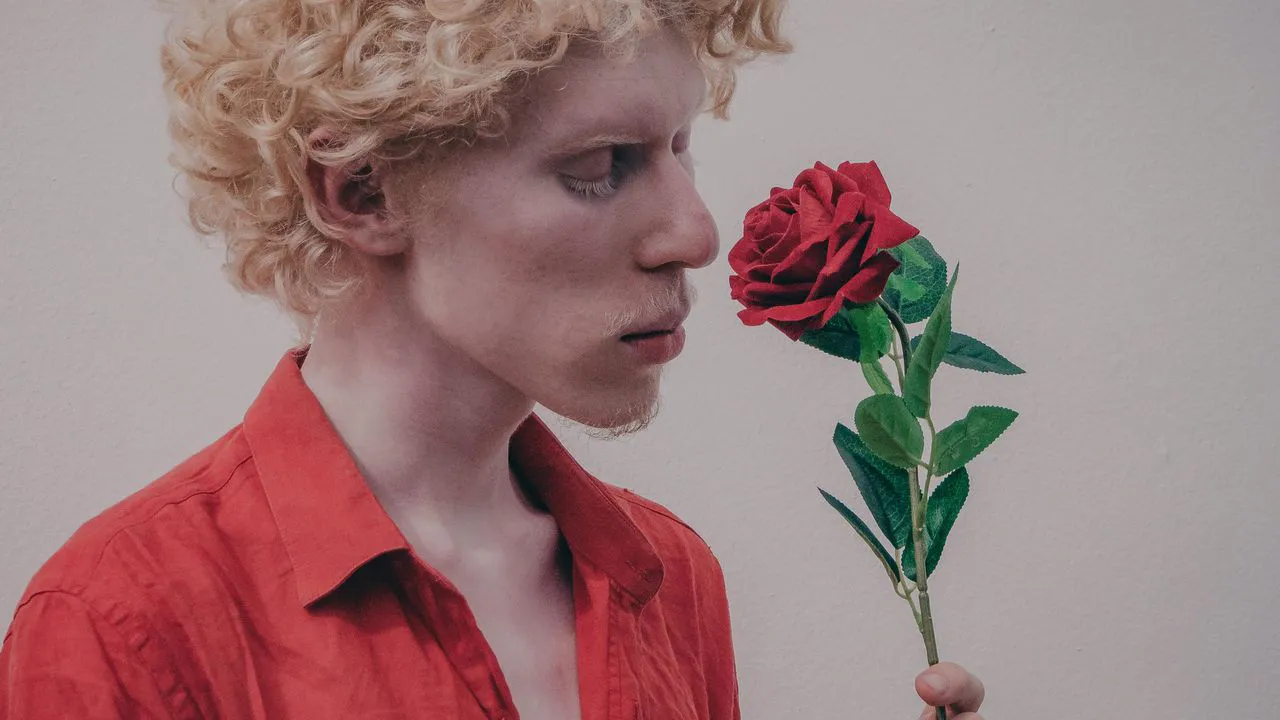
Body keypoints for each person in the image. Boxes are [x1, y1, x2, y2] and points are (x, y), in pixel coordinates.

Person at [0, 1, 988, 718]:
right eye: (599, 165)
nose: (694, 233)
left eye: (681, 147)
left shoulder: (670, 577)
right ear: (362, 192)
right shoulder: (125, 621)